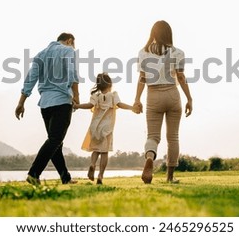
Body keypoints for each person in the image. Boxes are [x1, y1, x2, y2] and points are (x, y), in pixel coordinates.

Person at [15, 32, 80, 185]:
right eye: (74, 45)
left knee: (56, 143)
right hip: (62, 102)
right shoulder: (68, 50)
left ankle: (66, 178)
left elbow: (30, 78)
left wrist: (21, 102)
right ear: (69, 41)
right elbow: (72, 73)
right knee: (55, 140)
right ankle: (33, 173)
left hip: (45, 104)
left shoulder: (40, 55)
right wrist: (76, 95)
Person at [133, 20, 193, 184]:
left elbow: (142, 79)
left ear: (153, 33)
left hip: (153, 96)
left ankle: (150, 157)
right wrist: (189, 98)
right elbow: (180, 77)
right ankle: (170, 177)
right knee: (173, 137)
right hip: (172, 94)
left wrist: (137, 99)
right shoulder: (177, 52)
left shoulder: (143, 53)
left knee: (153, 136)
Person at [74, 73, 135, 185]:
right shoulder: (113, 95)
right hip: (107, 128)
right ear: (110, 84)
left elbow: (89, 105)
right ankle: (100, 175)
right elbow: (120, 104)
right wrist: (132, 107)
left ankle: (92, 164)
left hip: (95, 127)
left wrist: (77, 106)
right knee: (104, 152)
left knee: (96, 150)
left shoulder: (96, 96)